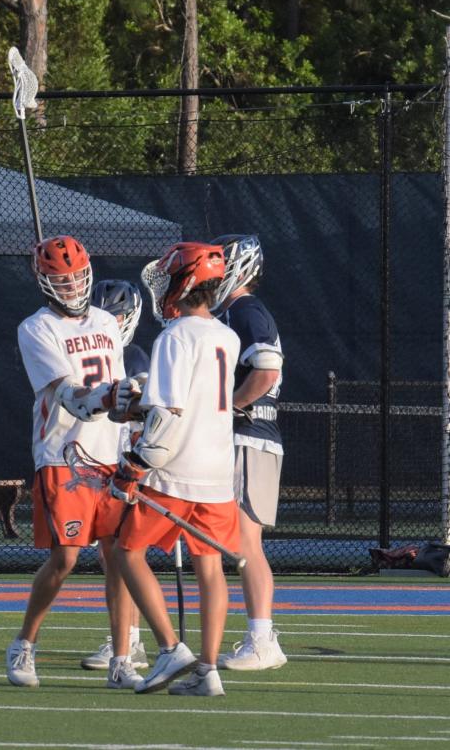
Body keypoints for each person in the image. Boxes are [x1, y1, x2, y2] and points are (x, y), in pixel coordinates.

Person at [6, 235, 140, 689]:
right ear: (44, 282)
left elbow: (117, 389)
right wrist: (109, 396)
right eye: (61, 280)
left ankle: (122, 658)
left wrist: (133, 420)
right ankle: (24, 643)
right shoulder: (36, 328)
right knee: (64, 558)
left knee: (120, 557)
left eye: (77, 277)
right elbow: (68, 395)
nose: (71, 287)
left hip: (110, 453)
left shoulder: (105, 320)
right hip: (64, 453)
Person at [112, 242, 241, 697]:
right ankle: (208, 671)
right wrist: (138, 409)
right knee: (211, 567)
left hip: (176, 469)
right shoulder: (227, 336)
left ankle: (169, 648)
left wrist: (136, 463)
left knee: (127, 552)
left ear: (183, 283)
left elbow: (168, 415)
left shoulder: (174, 337)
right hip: (218, 470)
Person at [211, 234, 287, 671]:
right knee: (235, 541)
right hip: (244, 434)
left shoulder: (246, 310)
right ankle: (258, 636)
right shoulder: (233, 313)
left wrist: (231, 407)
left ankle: (262, 639)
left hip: (249, 433)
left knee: (245, 541)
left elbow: (267, 367)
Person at [80, 279, 150, 674]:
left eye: (116, 314)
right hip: (96, 463)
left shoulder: (134, 355)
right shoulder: (88, 352)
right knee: (111, 556)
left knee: (121, 554)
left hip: (125, 464)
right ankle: (130, 639)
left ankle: (131, 641)